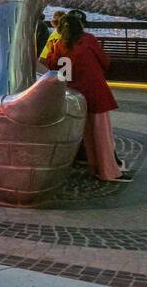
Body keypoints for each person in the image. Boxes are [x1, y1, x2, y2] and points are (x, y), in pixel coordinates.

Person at [45, 12, 130, 182]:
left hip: (74, 94)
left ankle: (94, 168)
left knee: (88, 136)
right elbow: (104, 61)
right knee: (102, 135)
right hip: (94, 91)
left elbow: (50, 63)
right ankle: (109, 171)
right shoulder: (88, 40)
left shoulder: (58, 45)